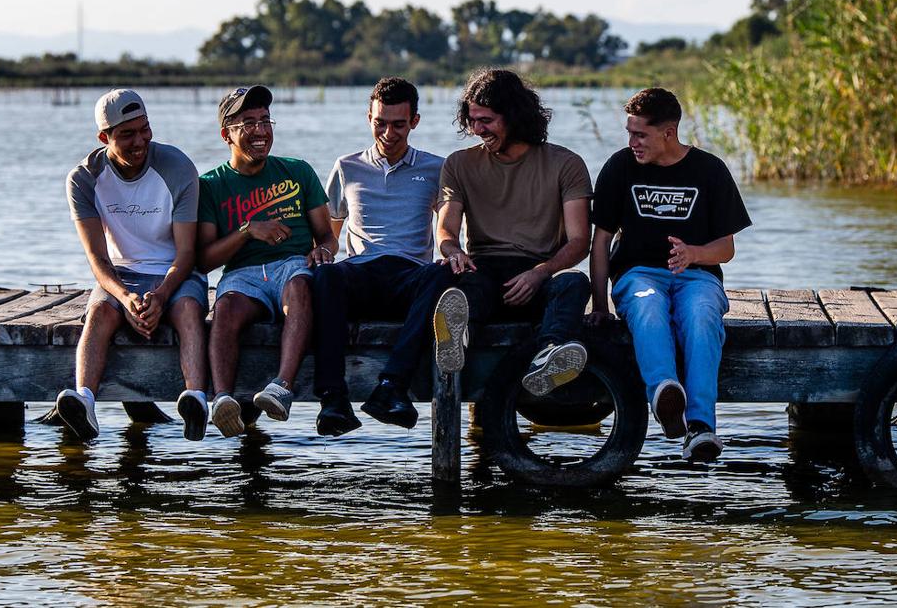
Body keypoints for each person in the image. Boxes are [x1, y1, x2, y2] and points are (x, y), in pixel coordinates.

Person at [588, 88, 751, 462]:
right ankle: (665, 395)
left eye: (640, 134)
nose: (632, 142)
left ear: (668, 132)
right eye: (629, 133)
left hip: (698, 277)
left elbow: (726, 248)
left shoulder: (709, 170)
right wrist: (600, 303)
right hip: (639, 275)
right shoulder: (619, 167)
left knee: (701, 316)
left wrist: (694, 254)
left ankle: (700, 428)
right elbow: (600, 242)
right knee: (648, 309)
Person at [311, 77, 467, 436]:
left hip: (409, 278)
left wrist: (454, 251)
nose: (388, 132)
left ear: (415, 121)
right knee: (325, 275)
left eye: (399, 124)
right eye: (380, 122)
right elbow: (331, 238)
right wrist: (321, 250)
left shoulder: (436, 169)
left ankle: (391, 386)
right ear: (369, 118)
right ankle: (333, 398)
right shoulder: (347, 166)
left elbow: (446, 229)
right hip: (360, 275)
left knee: (442, 274)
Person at [59, 89, 209, 441]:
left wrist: (160, 295)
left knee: (187, 308)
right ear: (104, 137)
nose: (140, 140)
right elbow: (97, 258)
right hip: (122, 274)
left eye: (145, 129)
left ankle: (196, 399)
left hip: (175, 270)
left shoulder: (177, 166)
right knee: (98, 313)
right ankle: (85, 401)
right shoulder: (82, 179)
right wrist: (126, 298)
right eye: (127, 134)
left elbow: (187, 254)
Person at [437, 69, 592, 394]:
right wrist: (454, 252)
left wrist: (541, 273)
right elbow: (446, 230)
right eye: (473, 119)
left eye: (487, 120)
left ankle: (548, 357)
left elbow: (580, 241)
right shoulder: (459, 164)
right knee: (465, 289)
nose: (478, 129)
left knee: (575, 282)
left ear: (515, 116)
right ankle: (458, 341)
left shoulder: (566, 164)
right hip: (485, 270)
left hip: (539, 273)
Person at [197, 85, 338, 437]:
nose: (260, 131)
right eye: (248, 123)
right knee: (225, 309)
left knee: (301, 285)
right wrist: (247, 231)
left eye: (265, 121)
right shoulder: (210, 186)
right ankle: (223, 400)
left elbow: (327, 236)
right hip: (242, 276)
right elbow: (203, 260)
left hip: (291, 265)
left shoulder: (298, 171)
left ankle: (282, 388)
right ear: (225, 134)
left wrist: (325, 252)